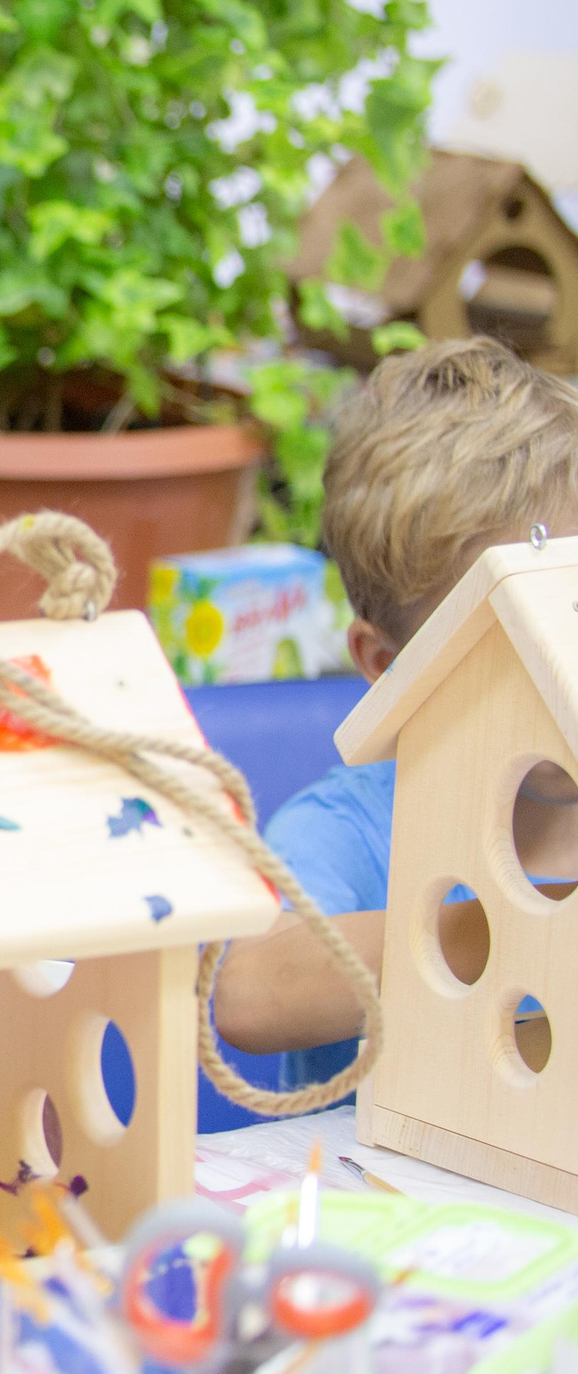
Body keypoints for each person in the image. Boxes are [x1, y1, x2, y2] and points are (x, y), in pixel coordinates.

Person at [213, 337, 578, 1063]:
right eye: (504, 638)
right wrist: (527, 929)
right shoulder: (352, 827)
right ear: (389, 663)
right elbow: (248, 996)